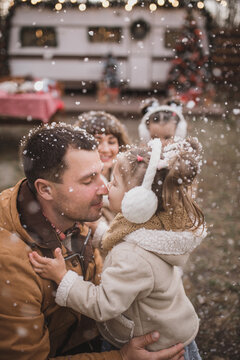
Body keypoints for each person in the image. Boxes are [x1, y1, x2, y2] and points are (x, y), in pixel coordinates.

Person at [0, 122, 185, 360]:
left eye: (101, 172)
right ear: (45, 190)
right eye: (88, 180)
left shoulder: (71, 212)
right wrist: (121, 358)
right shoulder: (10, 264)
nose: (105, 188)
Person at [75, 111, 130, 246]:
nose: (105, 149)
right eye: (97, 142)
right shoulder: (78, 182)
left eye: (111, 142)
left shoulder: (129, 175)